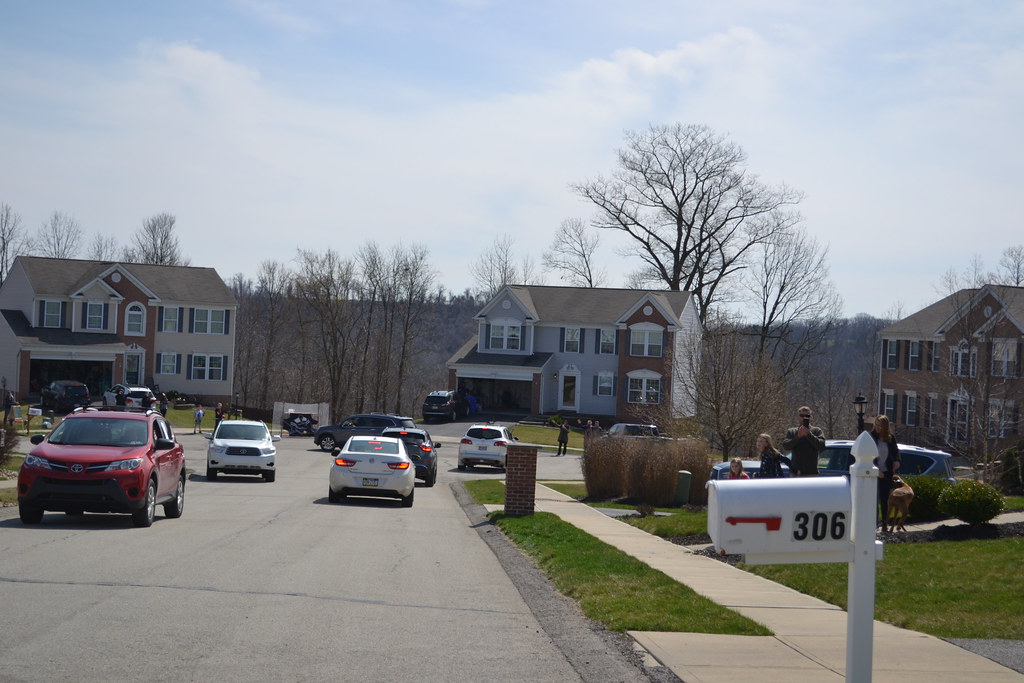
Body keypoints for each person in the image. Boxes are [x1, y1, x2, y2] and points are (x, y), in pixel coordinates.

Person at [870, 414, 901, 532]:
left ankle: (884, 524)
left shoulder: (890, 438)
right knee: (873, 500)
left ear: (885, 427)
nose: (878, 428)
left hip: (886, 473)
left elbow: (896, 451)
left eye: (880, 426)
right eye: (876, 425)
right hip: (873, 473)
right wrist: (876, 471)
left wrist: (897, 461)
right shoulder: (870, 437)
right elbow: (868, 457)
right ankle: (873, 524)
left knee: (885, 500)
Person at [782, 406, 826, 476]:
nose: (804, 418)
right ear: (798, 417)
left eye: (807, 416)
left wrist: (809, 435)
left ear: (810, 417)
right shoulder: (792, 431)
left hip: (811, 473)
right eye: (801, 415)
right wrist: (798, 437)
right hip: (795, 473)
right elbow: (786, 446)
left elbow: (821, 445)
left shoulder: (816, 431)